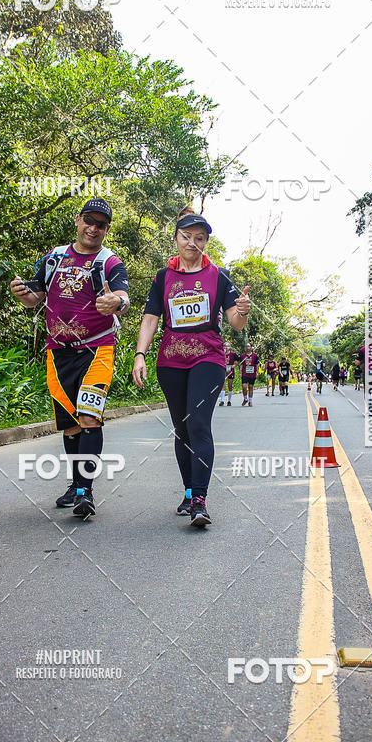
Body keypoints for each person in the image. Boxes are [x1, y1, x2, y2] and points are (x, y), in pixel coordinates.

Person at [10, 198, 130, 518]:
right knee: (71, 427)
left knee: (89, 417)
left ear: (106, 230)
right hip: (58, 353)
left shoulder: (109, 262)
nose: (94, 228)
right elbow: (35, 296)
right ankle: (76, 485)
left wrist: (114, 303)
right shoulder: (54, 257)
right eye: (89, 220)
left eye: (101, 224)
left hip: (96, 351)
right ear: (78, 221)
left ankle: (85, 493)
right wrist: (23, 294)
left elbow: (123, 297)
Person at [132, 207, 250, 527]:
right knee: (182, 429)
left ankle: (200, 499)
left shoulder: (218, 275)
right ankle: (187, 492)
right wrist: (140, 354)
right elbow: (151, 319)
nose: (192, 243)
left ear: (206, 243)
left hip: (208, 358)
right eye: (186, 237)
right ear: (175, 240)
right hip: (170, 361)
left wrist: (242, 310)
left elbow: (235, 323)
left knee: (198, 424)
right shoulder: (162, 278)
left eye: (200, 238)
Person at [220, 342, 239, 406]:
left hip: (230, 371)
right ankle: (222, 401)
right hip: (223, 371)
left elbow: (239, 360)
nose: (225, 347)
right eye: (224, 346)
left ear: (230, 347)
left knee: (230, 386)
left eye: (227, 346)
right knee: (223, 386)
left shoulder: (233, 354)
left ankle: (229, 401)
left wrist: (235, 365)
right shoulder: (221, 354)